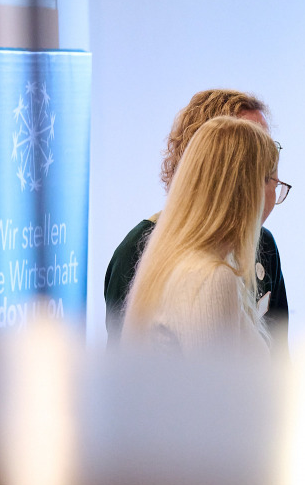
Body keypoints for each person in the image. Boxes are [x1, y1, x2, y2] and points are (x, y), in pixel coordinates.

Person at [104, 89, 291, 357]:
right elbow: (215, 384)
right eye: (256, 166)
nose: (272, 184)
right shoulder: (208, 275)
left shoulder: (174, 252)